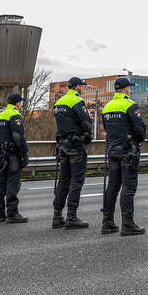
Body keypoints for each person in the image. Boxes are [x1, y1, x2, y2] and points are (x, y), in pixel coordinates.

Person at [101, 77, 147, 236]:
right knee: (128, 187)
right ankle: (127, 224)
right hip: (127, 152)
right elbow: (140, 129)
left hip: (112, 150)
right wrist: (138, 141)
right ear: (126, 89)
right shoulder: (129, 105)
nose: (131, 90)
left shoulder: (107, 107)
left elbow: (106, 128)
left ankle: (107, 223)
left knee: (112, 186)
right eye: (130, 88)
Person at [53, 77, 92, 229]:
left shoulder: (58, 103)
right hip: (75, 146)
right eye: (81, 86)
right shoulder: (76, 101)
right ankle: (71, 216)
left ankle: (57, 216)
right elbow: (86, 122)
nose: (82, 89)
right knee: (77, 180)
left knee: (63, 180)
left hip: (62, 144)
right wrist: (87, 136)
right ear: (77, 87)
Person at [0, 93, 30, 224]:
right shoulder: (15, 115)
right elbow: (18, 136)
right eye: (20, 102)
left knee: (1, 183)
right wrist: (24, 153)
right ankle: (12, 213)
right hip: (13, 155)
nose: (21, 104)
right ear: (17, 103)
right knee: (13, 184)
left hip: (2, 155)